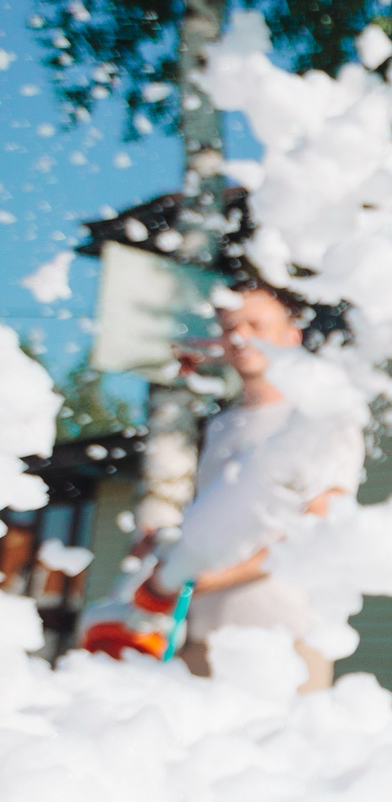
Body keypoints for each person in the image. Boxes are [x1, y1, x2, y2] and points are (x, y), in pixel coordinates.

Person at [120, 285, 357, 689]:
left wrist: (218, 576)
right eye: (229, 326)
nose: (239, 336)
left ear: (292, 337)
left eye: (256, 325)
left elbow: (317, 527)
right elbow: (217, 523)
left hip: (287, 638)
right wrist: (164, 544)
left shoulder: (322, 418)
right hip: (202, 636)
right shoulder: (220, 426)